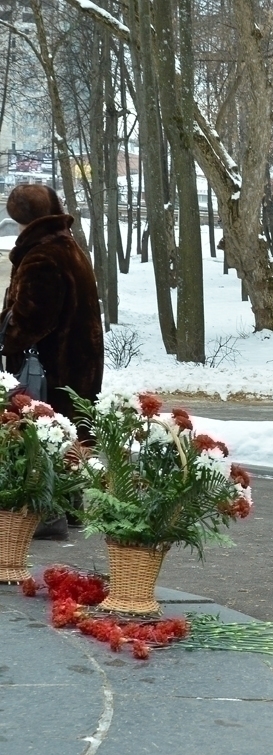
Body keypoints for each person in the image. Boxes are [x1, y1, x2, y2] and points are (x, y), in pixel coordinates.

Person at [1, 184, 103, 541]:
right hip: (76, 363)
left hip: (52, 365)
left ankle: (47, 513)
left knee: (44, 432)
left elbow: (34, 317)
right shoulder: (67, 245)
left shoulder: (42, 255)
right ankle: (70, 507)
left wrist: (8, 339)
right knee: (67, 434)